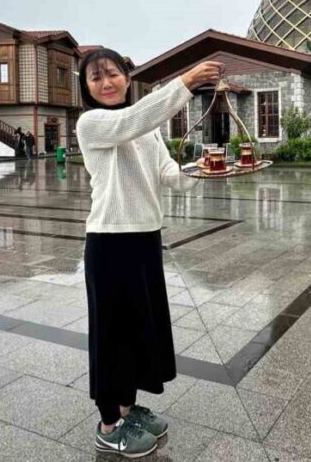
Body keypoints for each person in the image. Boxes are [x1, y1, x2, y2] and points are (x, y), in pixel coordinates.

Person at [76, 48, 223, 458]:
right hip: (108, 241)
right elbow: (132, 119)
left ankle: (127, 407)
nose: (106, 83)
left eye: (113, 74)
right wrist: (186, 82)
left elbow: (166, 174)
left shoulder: (147, 128)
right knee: (111, 333)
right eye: (96, 78)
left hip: (144, 238)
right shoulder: (92, 123)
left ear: (127, 75)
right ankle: (109, 425)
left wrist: (205, 173)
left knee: (140, 329)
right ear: (86, 88)